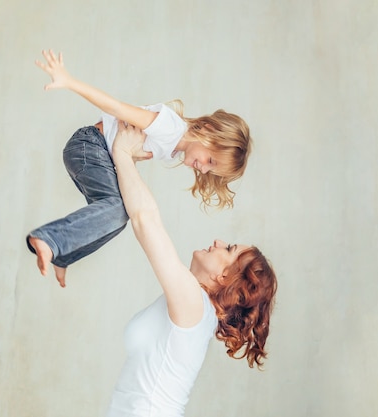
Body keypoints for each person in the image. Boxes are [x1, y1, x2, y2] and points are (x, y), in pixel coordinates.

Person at [26, 50, 252, 287]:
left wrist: (128, 158)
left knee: (118, 219)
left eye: (210, 170)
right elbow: (115, 107)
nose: (204, 170)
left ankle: (64, 255)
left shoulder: (173, 146)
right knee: (117, 210)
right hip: (89, 146)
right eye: (211, 161)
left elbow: (124, 149)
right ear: (206, 130)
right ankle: (49, 239)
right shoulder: (169, 127)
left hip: (97, 154)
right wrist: (69, 81)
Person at [105, 121, 277, 416]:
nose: (218, 241)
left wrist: (122, 152)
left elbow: (146, 221)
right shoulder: (196, 311)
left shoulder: (194, 305)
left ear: (225, 276)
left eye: (229, 249)